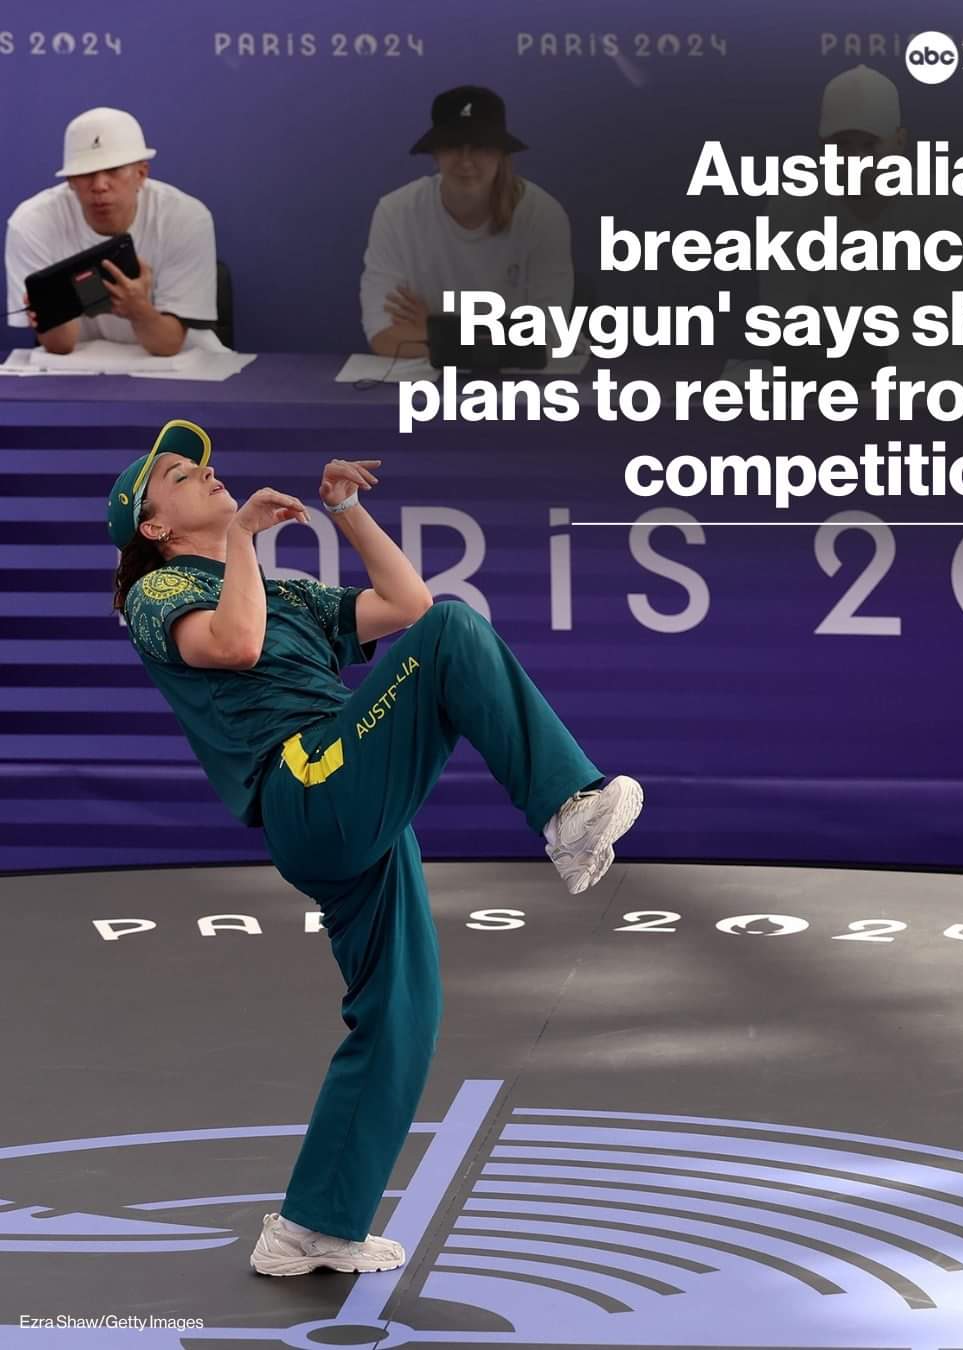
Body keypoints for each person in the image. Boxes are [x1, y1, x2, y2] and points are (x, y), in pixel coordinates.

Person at [106, 419, 643, 1276]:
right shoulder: (157, 592)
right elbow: (236, 646)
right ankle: (565, 810)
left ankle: (314, 1225)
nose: (206, 472)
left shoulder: (282, 593)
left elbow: (406, 606)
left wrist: (346, 512)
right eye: (179, 473)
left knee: (402, 1013)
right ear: (155, 525)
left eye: (204, 464)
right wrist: (241, 537)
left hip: (348, 795)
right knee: (458, 635)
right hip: (307, 783)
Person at [759, 64, 963, 386]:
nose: (856, 160)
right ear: (822, 147)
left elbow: (936, 333)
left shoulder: (940, 209)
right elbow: (784, 329)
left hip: (927, 387)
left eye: (870, 145)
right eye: (842, 146)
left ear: (899, 142)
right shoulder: (790, 209)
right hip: (823, 387)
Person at [360, 85, 574, 358]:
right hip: (430, 381)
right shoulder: (395, 212)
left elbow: (547, 337)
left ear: (500, 154)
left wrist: (433, 330)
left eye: (480, 147)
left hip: (525, 380)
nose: (466, 161)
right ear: (435, 153)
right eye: (453, 146)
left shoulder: (542, 215)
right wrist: (490, 341)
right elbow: (384, 336)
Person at [6, 107, 218, 357]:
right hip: (82, 366)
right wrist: (51, 312)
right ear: (70, 181)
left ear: (141, 173)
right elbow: (59, 346)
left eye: (114, 170)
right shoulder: (32, 223)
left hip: (182, 363)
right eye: (86, 173)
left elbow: (168, 345)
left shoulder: (185, 218)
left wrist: (139, 310)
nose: (99, 186)